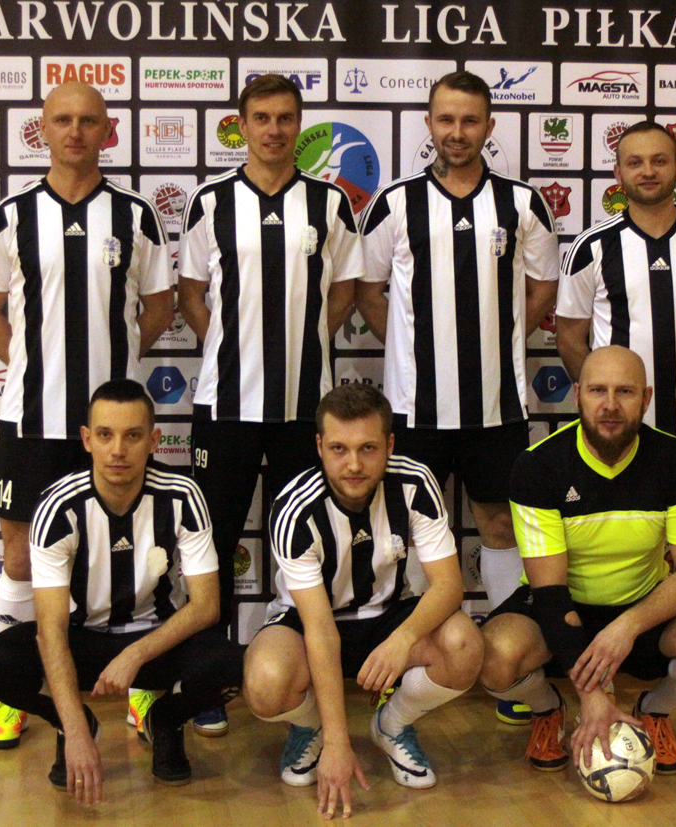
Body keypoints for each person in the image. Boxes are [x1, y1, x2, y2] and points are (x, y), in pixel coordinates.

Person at [0, 81, 175, 748]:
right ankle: (19, 696)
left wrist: (115, 368)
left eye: (88, 120)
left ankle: (142, 686)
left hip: (114, 430)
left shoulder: (136, 215)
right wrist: (33, 364)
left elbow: (161, 307)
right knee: (20, 556)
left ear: (107, 131)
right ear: (44, 129)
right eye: (63, 119)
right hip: (30, 420)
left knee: (134, 555)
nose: (75, 131)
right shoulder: (11, 214)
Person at [355, 71, 559, 725]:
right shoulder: (395, 203)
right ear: (429, 123)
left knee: (499, 526)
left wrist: (497, 342)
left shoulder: (521, 204)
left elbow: (541, 292)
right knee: (410, 535)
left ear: (489, 126)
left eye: (470, 120)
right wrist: (410, 350)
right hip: (413, 410)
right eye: (446, 119)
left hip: (497, 408)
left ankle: (505, 666)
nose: (457, 132)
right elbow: (368, 291)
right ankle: (417, 664)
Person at [553, 120, 676, 734]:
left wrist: (675, 389)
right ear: (618, 173)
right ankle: (598, 691)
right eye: (635, 161)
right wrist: (612, 404)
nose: (647, 171)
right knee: (607, 563)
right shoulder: (591, 248)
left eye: (659, 160)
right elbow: (569, 334)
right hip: (613, 443)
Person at [177, 73, 362, 735]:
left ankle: (300, 675)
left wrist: (303, 344)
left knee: (302, 544)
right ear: (242, 125)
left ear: (298, 125)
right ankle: (207, 679)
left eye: (285, 118)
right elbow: (191, 293)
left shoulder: (329, 202)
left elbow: (343, 293)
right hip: (223, 408)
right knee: (213, 544)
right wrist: (233, 349)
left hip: (303, 412)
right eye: (262, 118)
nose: (274, 130)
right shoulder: (210, 201)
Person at [0, 380, 242, 805]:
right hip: (83, 640)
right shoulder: (57, 508)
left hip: (153, 642)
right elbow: (50, 630)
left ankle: (165, 720)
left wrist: (135, 654)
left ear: (154, 441)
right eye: (105, 435)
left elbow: (207, 606)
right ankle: (72, 722)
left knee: (229, 666)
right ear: (87, 440)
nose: (118, 450)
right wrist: (77, 732)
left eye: (133, 435)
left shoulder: (182, 495)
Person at [480, 346, 676, 777]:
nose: (610, 405)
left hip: (642, 613)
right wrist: (592, 696)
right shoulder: (538, 465)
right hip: (563, 610)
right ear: (577, 395)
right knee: (494, 656)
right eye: (597, 390)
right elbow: (549, 590)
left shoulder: (675, 460)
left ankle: (654, 711)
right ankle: (547, 710)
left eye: (625, 391)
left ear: (647, 398)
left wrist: (627, 625)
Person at [242, 384, 482, 818]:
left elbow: (449, 586)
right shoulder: (294, 507)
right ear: (320, 447)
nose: (353, 464)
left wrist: (402, 639)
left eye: (368, 448)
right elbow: (319, 629)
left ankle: (392, 725)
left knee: (464, 645)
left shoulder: (415, 482)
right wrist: (338, 743)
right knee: (264, 682)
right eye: (339, 449)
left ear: (389, 445)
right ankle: (311, 727)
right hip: (308, 623)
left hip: (388, 616)